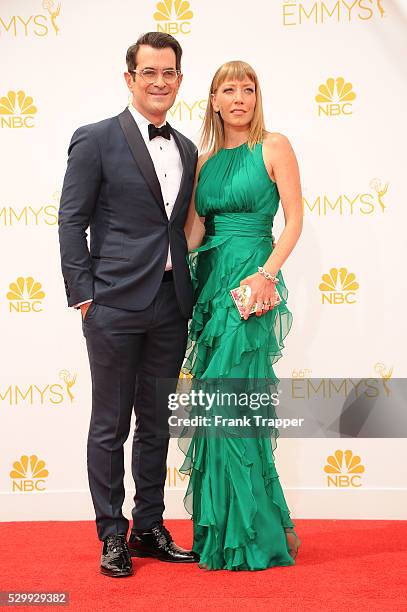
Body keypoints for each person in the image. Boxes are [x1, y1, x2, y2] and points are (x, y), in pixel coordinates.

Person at [58, 32, 199, 577]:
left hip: (170, 303)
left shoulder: (186, 147)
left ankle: (148, 527)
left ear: (179, 80)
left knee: (157, 423)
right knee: (110, 424)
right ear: (130, 78)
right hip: (113, 304)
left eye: (169, 73)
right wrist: (85, 296)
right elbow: (72, 220)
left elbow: (178, 228)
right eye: (149, 73)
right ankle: (111, 535)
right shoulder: (94, 139)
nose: (160, 82)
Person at [181, 60, 303, 570]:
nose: (238, 97)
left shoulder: (274, 146)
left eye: (247, 88)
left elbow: (294, 219)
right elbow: (191, 235)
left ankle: (253, 535)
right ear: (213, 100)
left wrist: (267, 275)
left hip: (252, 284)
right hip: (210, 287)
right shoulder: (204, 161)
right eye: (227, 89)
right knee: (212, 404)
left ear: (257, 96)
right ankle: (220, 534)